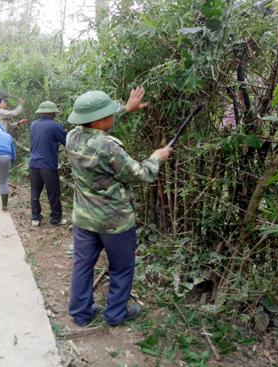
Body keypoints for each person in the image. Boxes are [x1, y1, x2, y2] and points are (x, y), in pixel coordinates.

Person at [65, 87, 172, 327]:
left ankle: (80, 313)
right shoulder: (108, 146)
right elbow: (140, 174)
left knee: (82, 265)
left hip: (83, 219)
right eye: (110, 113)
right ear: (101, 120)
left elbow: (95, 128)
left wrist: (125, 109)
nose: (113, 115)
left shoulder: (71, 137)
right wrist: (158, 156)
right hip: (114, 222)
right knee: (121, 268)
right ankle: (115, 314)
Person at [29, 101, 67, 227]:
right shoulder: (54, 125)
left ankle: (35, 217)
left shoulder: (33, 125)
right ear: (50, 113)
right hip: (48, 164)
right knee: (53, 192)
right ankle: (56, 219)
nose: (55, 114)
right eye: (54, 112)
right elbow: (66, 141)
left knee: (35, 192)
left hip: (34, 163)